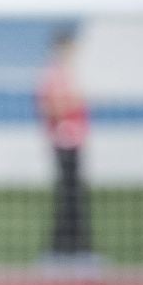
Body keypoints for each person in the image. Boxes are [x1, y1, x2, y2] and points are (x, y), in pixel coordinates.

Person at [37, 27, 92, 259]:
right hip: (64, 140)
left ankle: (76, 245)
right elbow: (51, 107)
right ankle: (66, 246)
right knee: (70, 195)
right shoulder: (54, 75)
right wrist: (74, 101)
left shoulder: (67, 73)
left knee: (75, 194)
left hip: (75, 140)